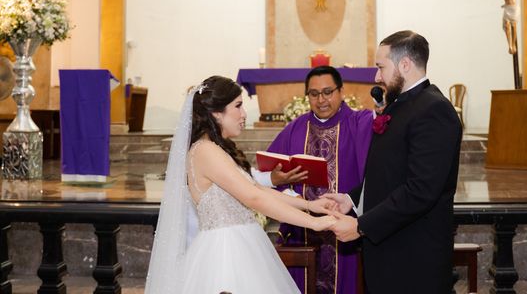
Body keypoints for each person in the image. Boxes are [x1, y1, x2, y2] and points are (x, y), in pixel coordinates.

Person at [145, 76, 337, 294]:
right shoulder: (205, 151)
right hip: (225, 254)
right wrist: (314, 224)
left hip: (242, 243)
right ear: (216, 112)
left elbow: (257, 189)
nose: (244, 114)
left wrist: (310, 206)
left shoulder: (214, 148)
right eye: (238, 106)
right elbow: (253, 198)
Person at [324, 31, 462, 293]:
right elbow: (389, 171)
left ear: (405, 65)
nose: (377, 77)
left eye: (381, 67)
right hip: (391, 250)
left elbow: (421, 190)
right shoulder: (402, 105)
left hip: (414, 259)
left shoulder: (434, 110)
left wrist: (361, 226)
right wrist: (353, 199)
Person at [256, 66, 373, 294]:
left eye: (328, 92)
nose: (321, 100)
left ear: (341, 91)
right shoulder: (295, 129)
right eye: (314, 94)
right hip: (303, 232)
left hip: (345, 233)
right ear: (307, 95)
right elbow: (266, 175)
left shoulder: (361, 124)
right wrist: (280, 181)